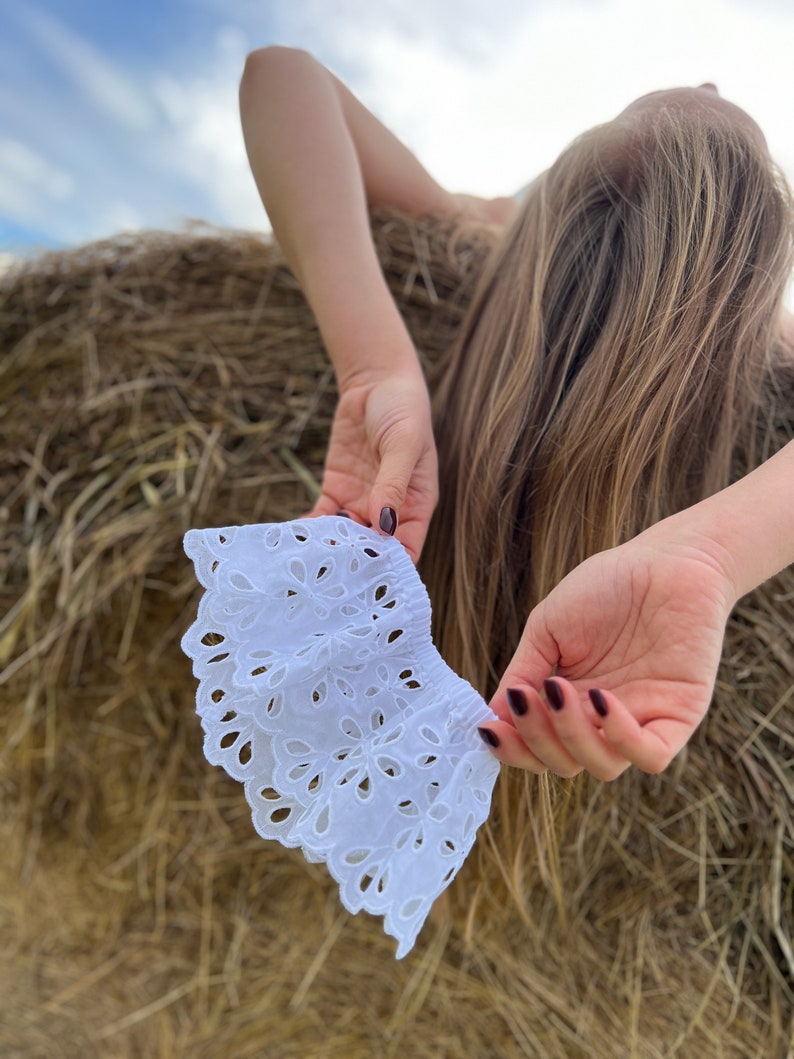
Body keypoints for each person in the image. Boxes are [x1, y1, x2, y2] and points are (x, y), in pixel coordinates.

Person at [239, 46, 794, 782]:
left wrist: (374, 363)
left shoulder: (486, 231)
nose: (709, 78)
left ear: (552, 195)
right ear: (747, 286)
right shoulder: (768, 349)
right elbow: (279, 80)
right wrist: (714, 555)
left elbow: (283, 75)